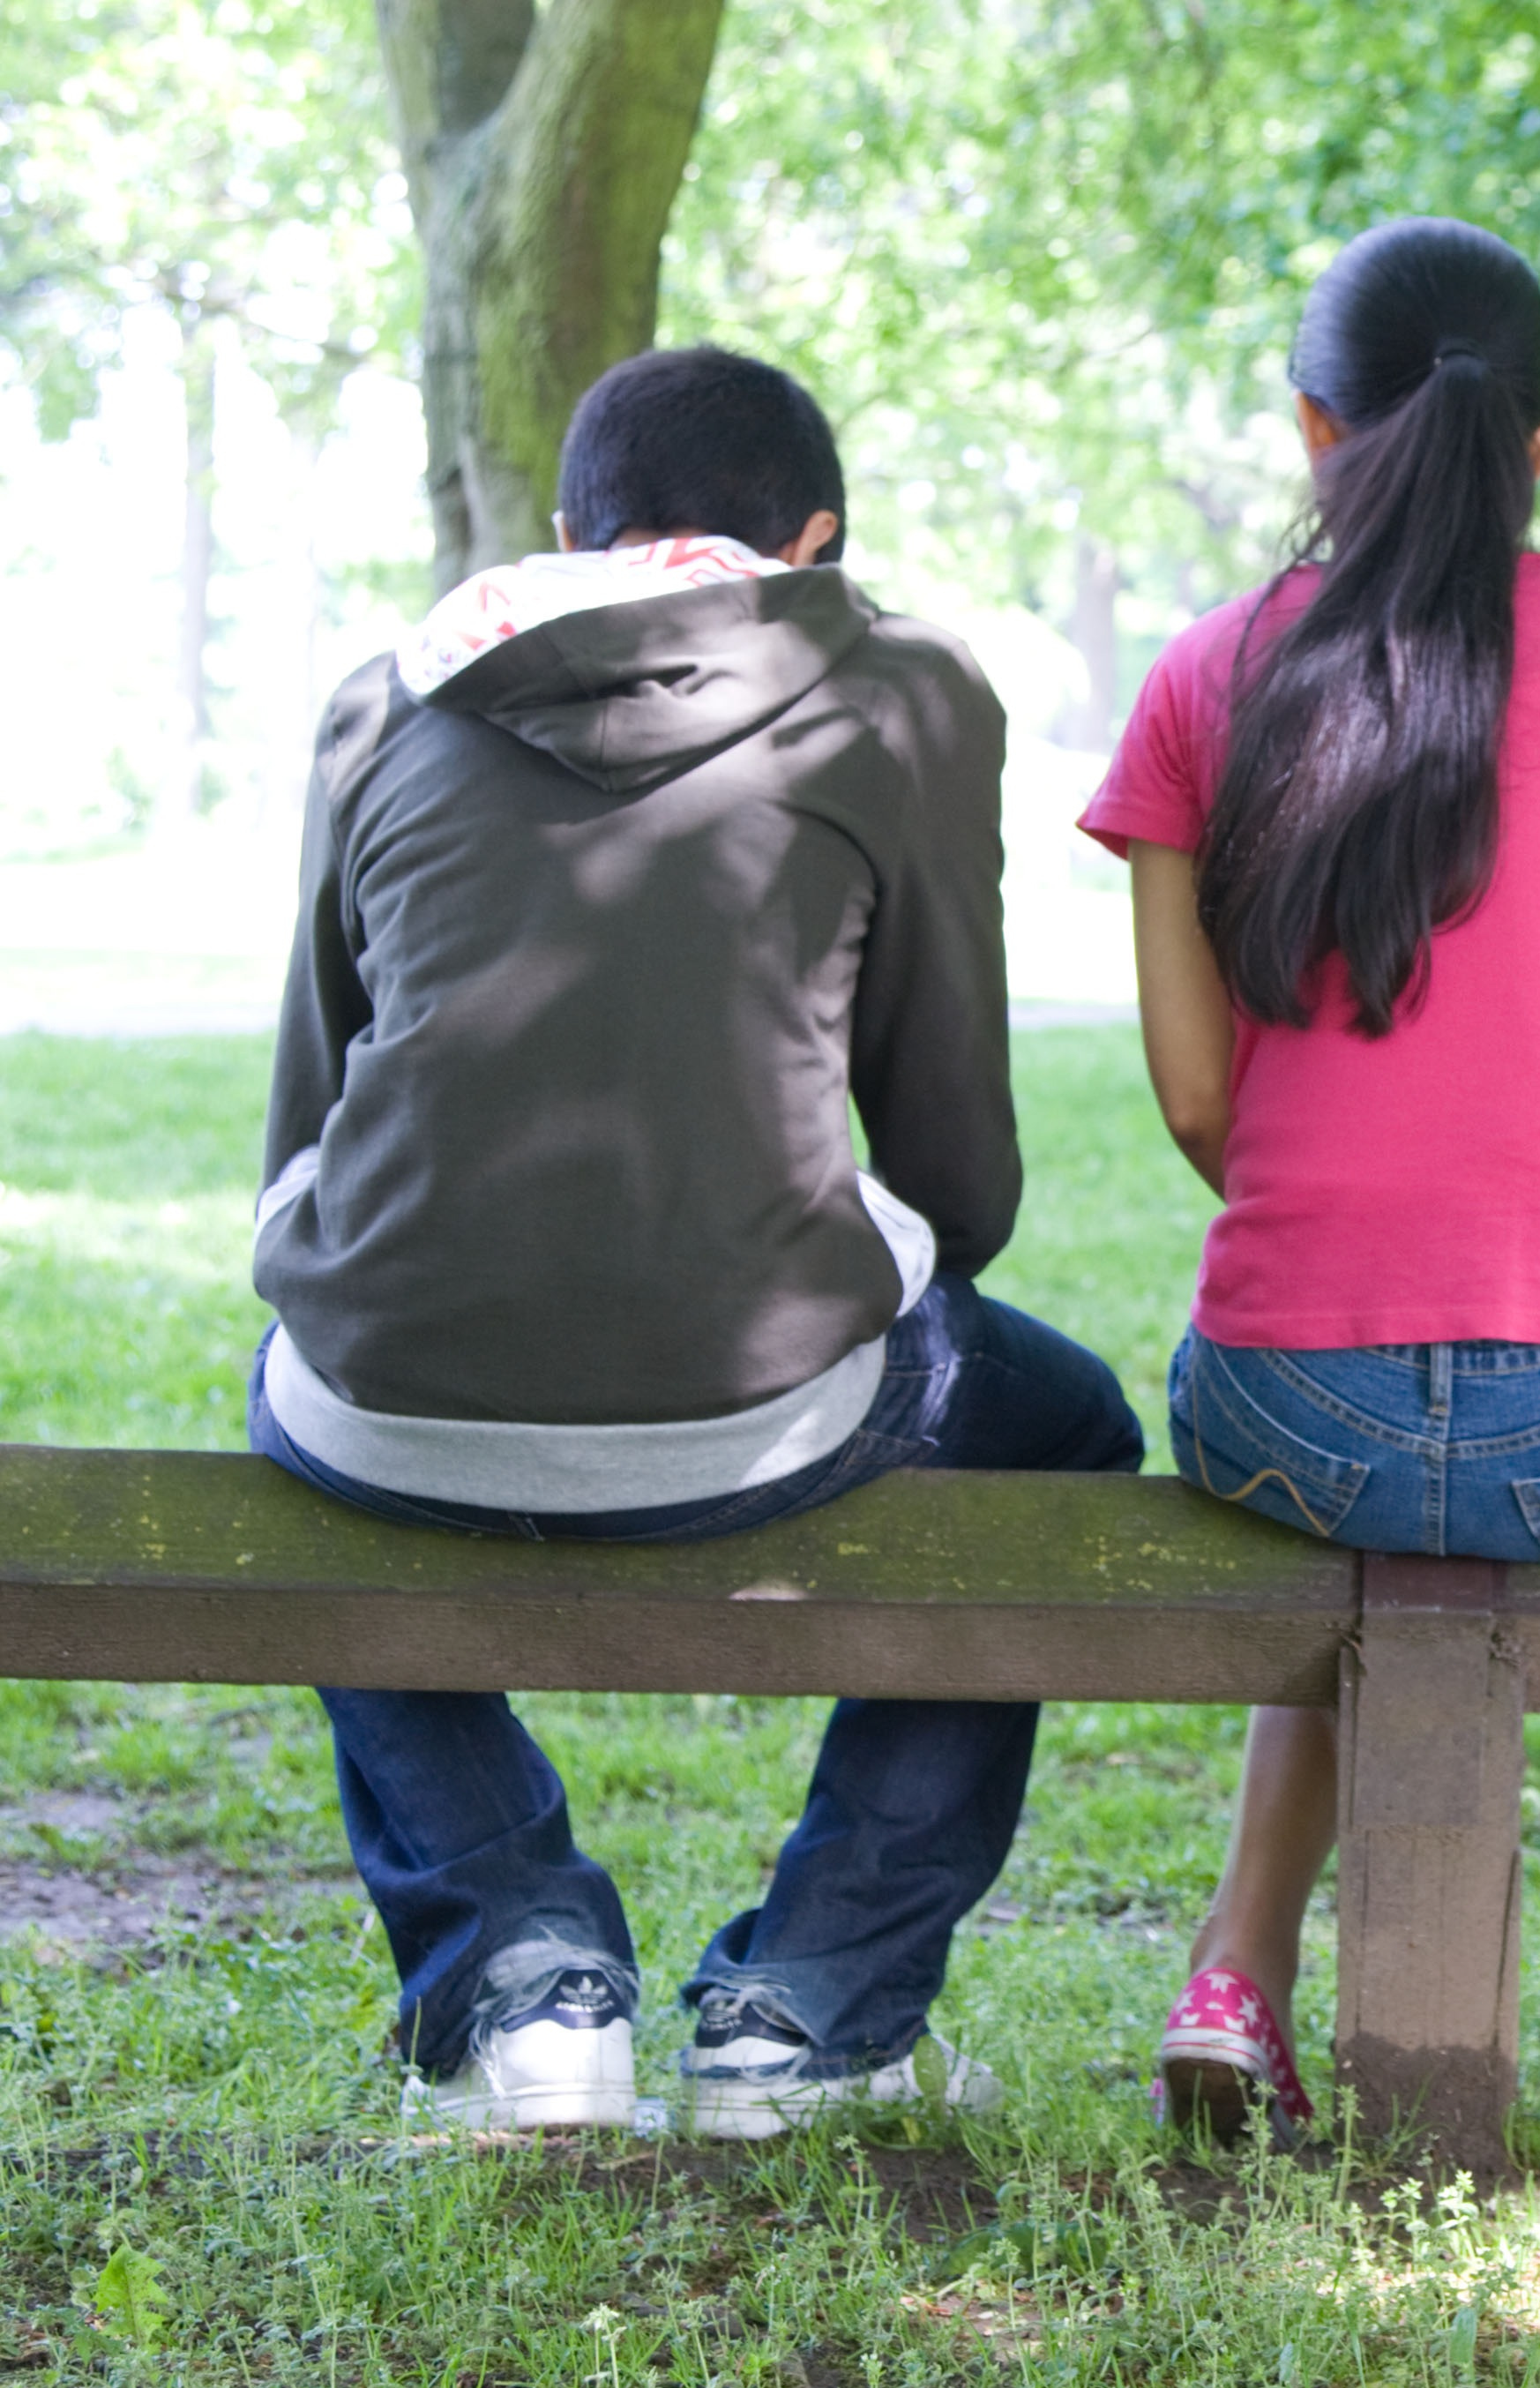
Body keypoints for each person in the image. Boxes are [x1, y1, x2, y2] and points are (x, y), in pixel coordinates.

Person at [251, 347, 1147, 2137]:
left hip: (387, 1385)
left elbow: (308, 1111)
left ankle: (516, 1961)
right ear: (812, 538)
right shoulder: (897, 685)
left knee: (299, 1427)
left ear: (572, 533)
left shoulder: (383, 692)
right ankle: (811, 2004)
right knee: (1066, 1431)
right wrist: (887, 1264)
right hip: (772, 1398)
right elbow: (954, 1149)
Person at [1080, 219, 1540, 2142]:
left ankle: (1235, 1970)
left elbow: (1195, 1093)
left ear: (1312, 427)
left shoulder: (1202, 671)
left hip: (1287, 1401)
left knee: (1384, 1527)